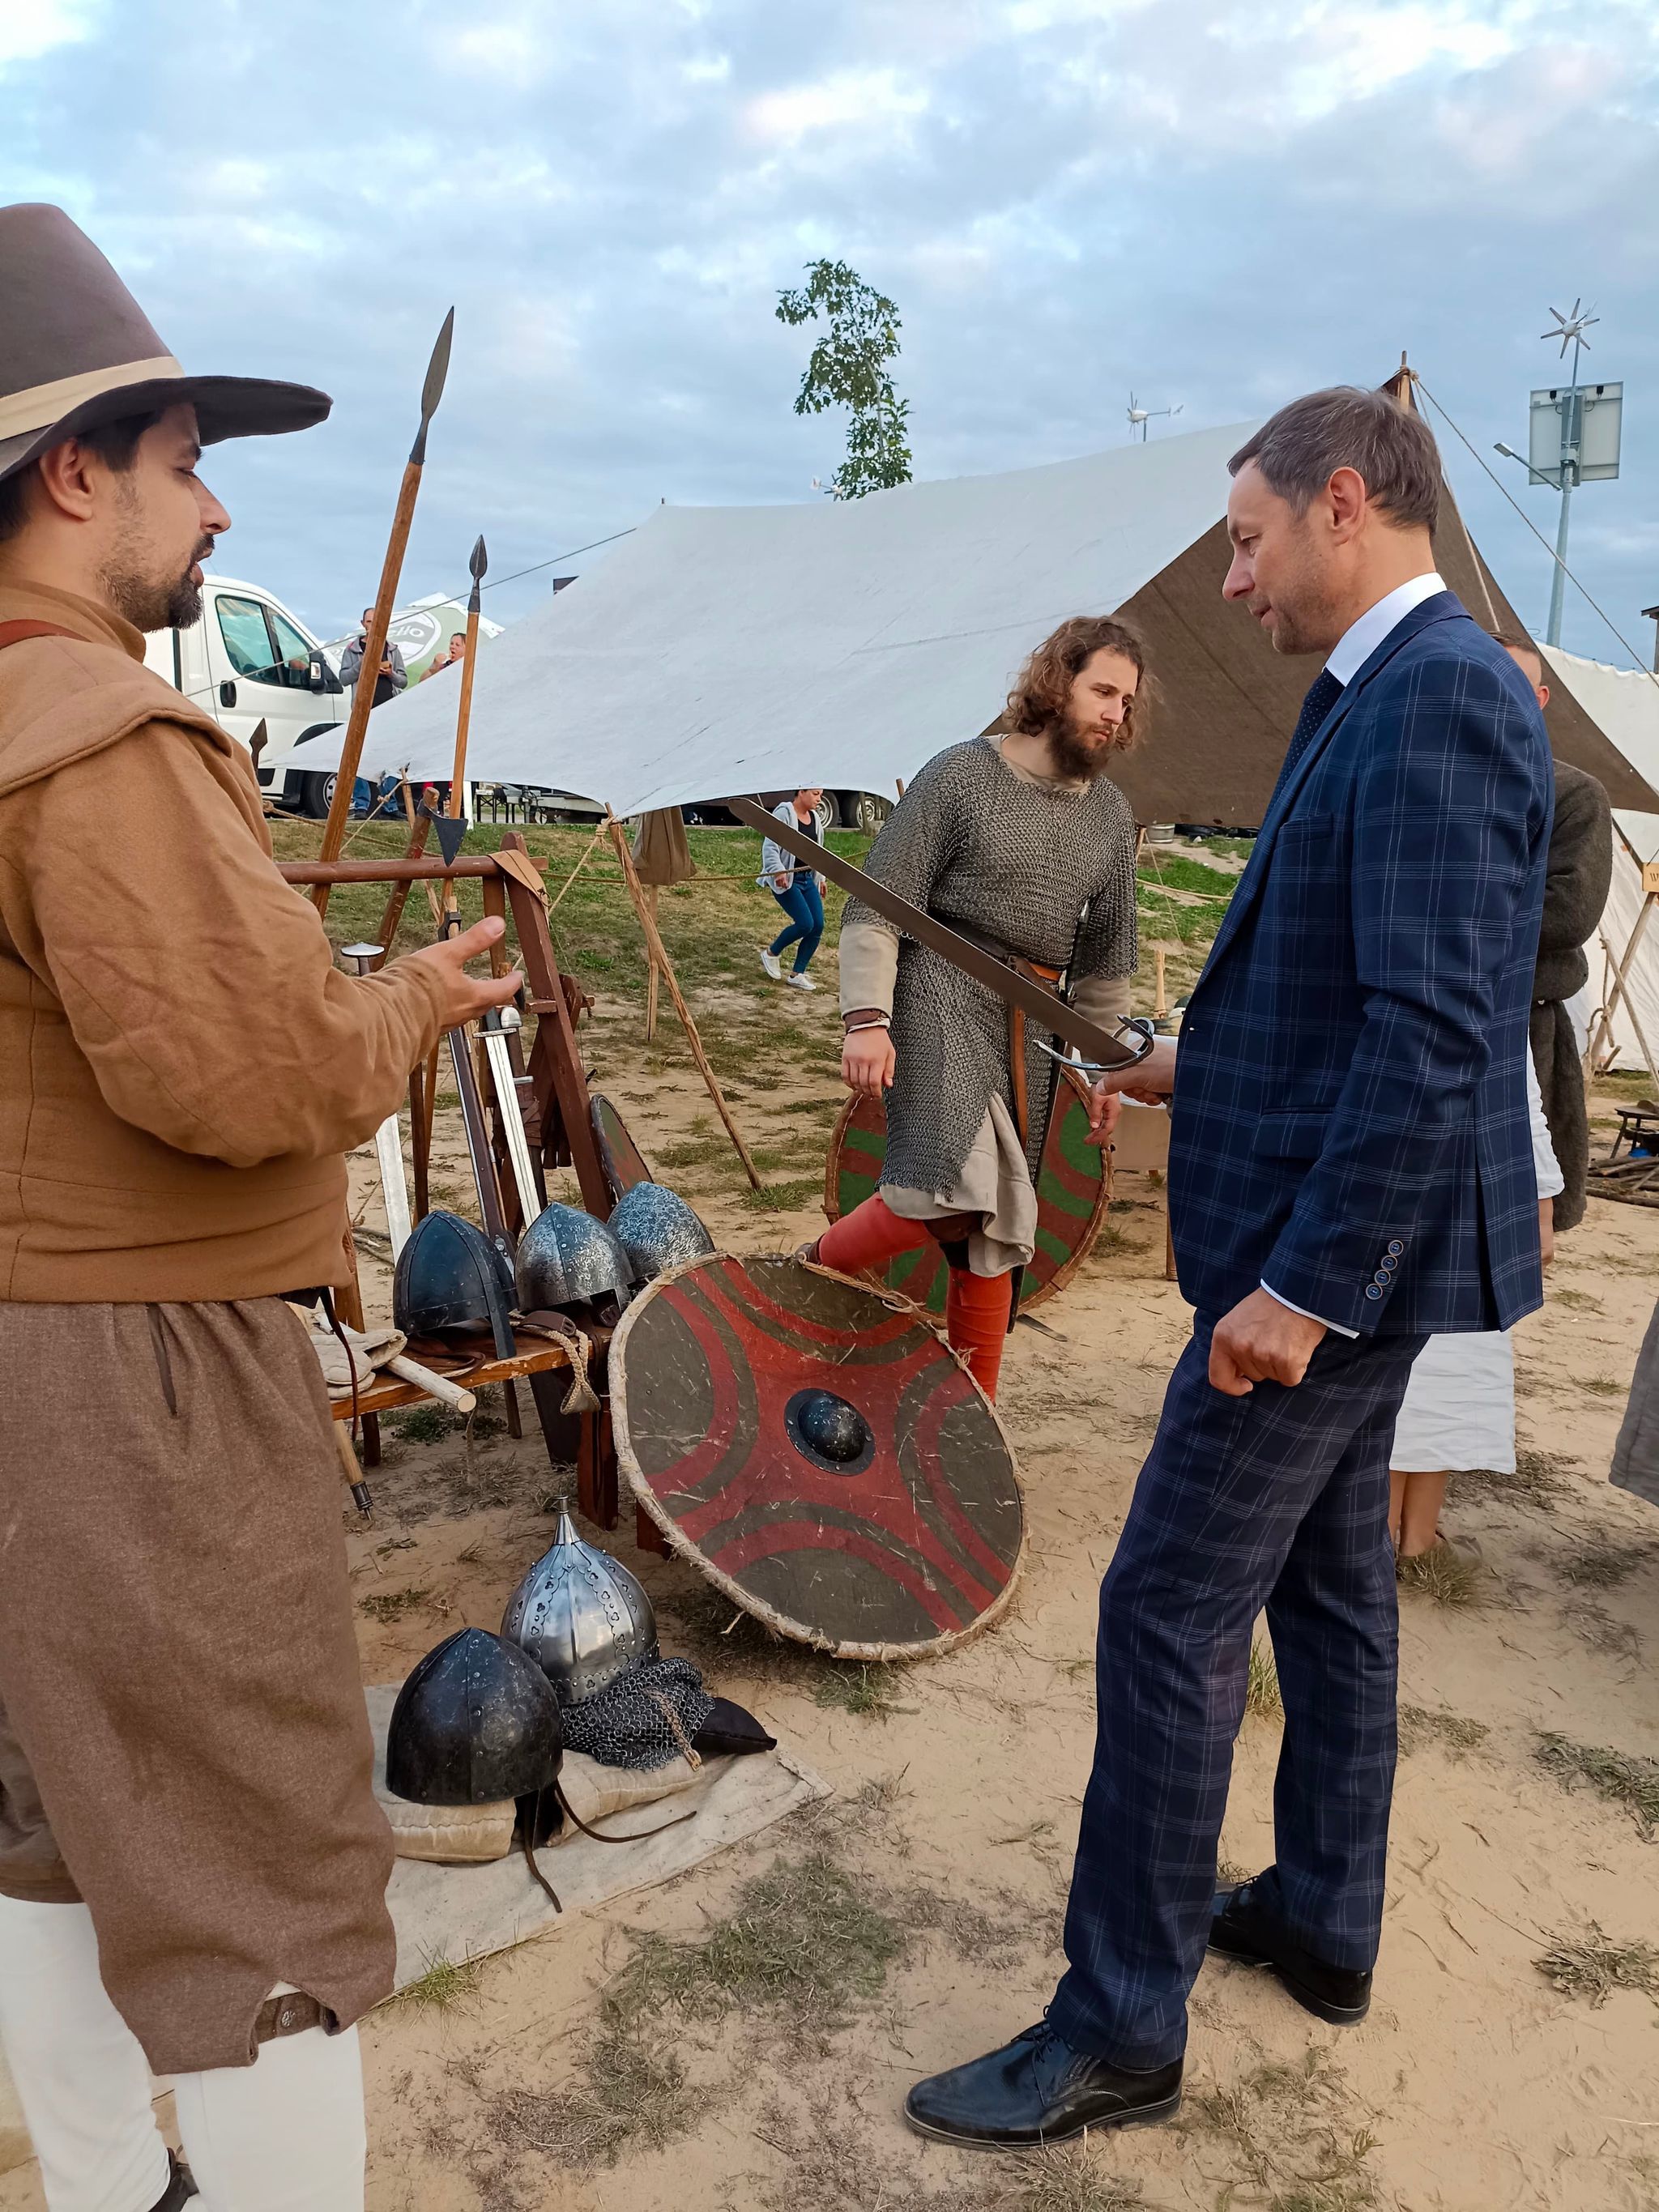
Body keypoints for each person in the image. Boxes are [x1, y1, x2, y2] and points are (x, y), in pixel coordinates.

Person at [905, 387, 1553, 2146]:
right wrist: (1200, 1060)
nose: (1233, 581)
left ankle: (1119, 2023)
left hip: (1328, 1267)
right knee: (1329, 1593)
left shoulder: (1436, 695)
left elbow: (1432, 1034)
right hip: (1341, 1237)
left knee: (1163, 1605)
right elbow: (1352, 989)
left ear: (1344, 502)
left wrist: (1304, 1293)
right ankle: (1325, 1918)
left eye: (1249, 539)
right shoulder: (1384, 691)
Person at [0, 202, 518, 2212]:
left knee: (50, 1824)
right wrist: (402, 1004)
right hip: (127, 1382)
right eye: (184, 460)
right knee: (255, 1871)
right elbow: (243, 1080)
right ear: (73, 473)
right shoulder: (100, 734)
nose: (214, 509)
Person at [804, 617, 1142, 1400]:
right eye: (1102, 691)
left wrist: (1107, 1072)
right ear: (1055, 684)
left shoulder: (1108, 814)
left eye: (1126, 701)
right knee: (948, 1183)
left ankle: (971, 1411)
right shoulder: (961, 774)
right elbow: (878, 903)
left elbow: (1104, 970)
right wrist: (867, 1019)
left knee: (998, 1227)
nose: (1114, 713)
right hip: (939, 989)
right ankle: (812, 1268)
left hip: (1031, 1023)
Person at [1389, 1049, 1562, 1563]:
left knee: (1451, 1364)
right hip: (1388, 1169)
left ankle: (1417, 1535)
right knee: (1396, 1367)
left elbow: (1515, 1086)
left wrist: (1540, 1204)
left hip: (1468, 1185)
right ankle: (1379, 1530)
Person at [1489, 631, 1612, 1232]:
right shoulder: (1428, 780)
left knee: (1511, 1211)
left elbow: (1568, 911)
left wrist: (1449, 916)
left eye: (1511, 685)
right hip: (1416, 1013)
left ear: (1538, 698)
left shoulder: (1573, 794)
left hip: (1522, 1021)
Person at [758, 786, 830, 991]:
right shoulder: (784, 813)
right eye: (815, 794)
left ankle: (797, 974)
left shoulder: (815, 819)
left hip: (807, 880)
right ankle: (771, 953)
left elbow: (818, 851)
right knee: (805, 923)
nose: (819, 799)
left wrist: (821, 878)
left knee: (817, 925)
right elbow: (770, 847)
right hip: (787, 880)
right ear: (801, 792)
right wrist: (778, 871)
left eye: (821, 795)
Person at [339, 604, 407, 705]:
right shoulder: (352, 650)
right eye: (369, 622)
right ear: (363, 624)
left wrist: (391, 674)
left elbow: (403, 683)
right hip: (362, 708)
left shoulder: (392, 649)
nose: (373, 625)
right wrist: (362, 664)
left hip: (390, 706)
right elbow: (344, 680)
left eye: (376, 621)